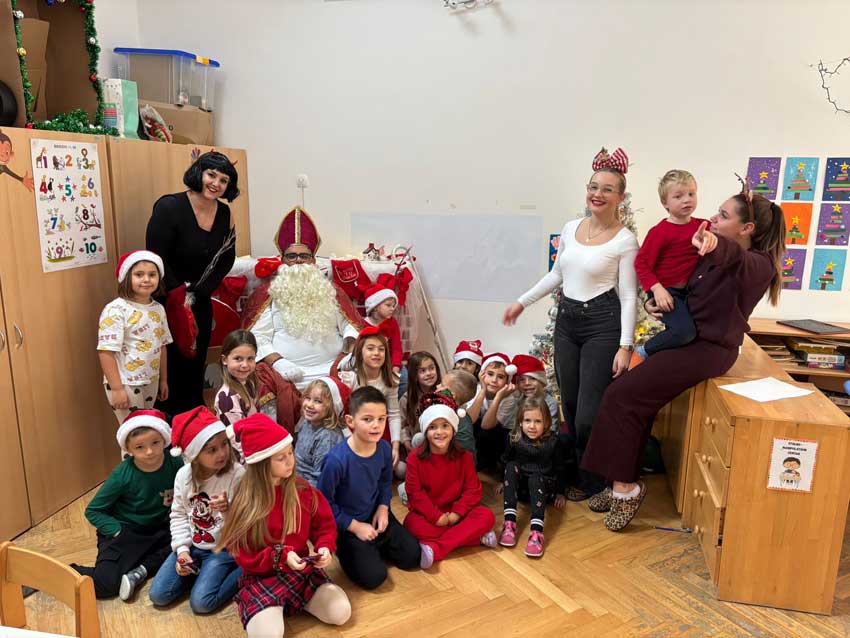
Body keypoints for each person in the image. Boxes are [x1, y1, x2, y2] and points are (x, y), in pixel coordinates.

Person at [581, 182, 786, 531]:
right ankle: (617, 480)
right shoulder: (711, 255)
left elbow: (732, 257)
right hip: (688, 339)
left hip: (708, 351)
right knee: (630, 398)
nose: (713, 218)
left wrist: (714, 242)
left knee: (621, 396)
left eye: (723, 215)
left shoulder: (758, 265)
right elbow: (690, 295)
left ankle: (626, 489)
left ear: (747, 228)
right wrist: (655, 303)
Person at [503, 146, 639, 503]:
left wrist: (625, 346)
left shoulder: (625, 240)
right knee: (572, 406)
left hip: (602, 325)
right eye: (594, 187)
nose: (598, 194)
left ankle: (596, 481)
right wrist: (522, 302)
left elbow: (628, 295)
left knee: (589, 416)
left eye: (607, 189)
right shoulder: (570, 228)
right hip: (567, 323)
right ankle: (578, 473)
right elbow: (556, 275)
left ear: (621, 197)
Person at [217, 413, 350, 637]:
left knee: (341, 612)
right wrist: (279, 556)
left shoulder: (302, 490)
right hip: (262, 577)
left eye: (290, 452)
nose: (291, 461)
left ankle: (291, 603)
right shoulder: (245, 500)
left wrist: (325, 546)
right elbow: (242, 552)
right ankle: (272, 607)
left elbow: (324, 525)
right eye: (281, 457)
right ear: (261, 463)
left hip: (301, 572)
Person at [146, 151, 239, 414]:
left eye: (223, 180)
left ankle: (193, 424)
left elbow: (227, 258)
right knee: (171, 369)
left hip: (201, 299)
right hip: (167, 300)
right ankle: (168, 425)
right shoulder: (169, 207)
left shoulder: (224, 212)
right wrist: (179, 293)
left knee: (195, 367)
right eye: (211, 175)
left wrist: (201, 290)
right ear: (199, 173)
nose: (216, 184)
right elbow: (156, 255)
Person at [245, 206, 363, 392]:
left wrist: (349, 350)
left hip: (334, 369)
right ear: (282, 260)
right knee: (260, 378)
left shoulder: (331, 291)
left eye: (304, 256)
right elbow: (257, 336)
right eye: (292, 256)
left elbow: (352, 325)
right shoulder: (268, 294)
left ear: (313, 260)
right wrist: (278, 362)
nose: (298, 260)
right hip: (284, 374)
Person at [317, 387, 421, 590]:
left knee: (412, 556)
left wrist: (383, 507)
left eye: (381, 419)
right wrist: (355, 527)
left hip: (376, 515)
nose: (376, 425)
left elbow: (384, 482)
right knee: (375, 578)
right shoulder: (336, 461)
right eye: (367, 419)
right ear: (350, 421)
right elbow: (324, 504)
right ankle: (353, 550)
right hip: (347, 526)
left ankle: (372, 547)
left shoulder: (384, 448)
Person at [71, 411, 182, 601]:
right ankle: (56, 571)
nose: (149, 451)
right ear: (129, 449)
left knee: (191, 543)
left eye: (155, 443)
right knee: (105, 584)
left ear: (165, 439)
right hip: (127, 529)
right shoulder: (122, 474)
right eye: (140, 447)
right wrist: (116, 530)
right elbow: (93, 510)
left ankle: (140, 570)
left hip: (161, 527)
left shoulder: (176, 463)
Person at [149, 407, 244, 614]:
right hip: (194, 545)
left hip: (224, 549)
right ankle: (201, 575)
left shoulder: (237, 474)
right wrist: (182, 551)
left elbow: (245, 524)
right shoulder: (183, 476)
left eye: (224, 444)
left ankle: (246, 571)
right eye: (212, 450)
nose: (222, 453)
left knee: (201, 604)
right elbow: (178, 515)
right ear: (194, 454)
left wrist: (227, 509)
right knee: (158, 595)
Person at [403, 393, 497, 569]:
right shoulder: (415, 459)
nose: (439, 432)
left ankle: (436, 548)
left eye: (445, 426)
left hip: (457, 514)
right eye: (433, 427)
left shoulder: (464, 456)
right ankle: (474, 538)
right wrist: (436, 516)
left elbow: (472, 490)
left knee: (486, 516)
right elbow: (415, 494)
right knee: (411, 524)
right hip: (429, 515)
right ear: (425, 431)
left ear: (453, 429)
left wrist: (456, 514)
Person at [633, 170, 705, 360]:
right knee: (684, 332)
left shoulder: (702, 226)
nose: (687, 200)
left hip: (688, 292)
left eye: (691, 194)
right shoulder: (660, 232)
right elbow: (641, 263)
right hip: (665, 292)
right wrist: (657, 290)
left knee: (693, 332)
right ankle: (642, 351)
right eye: (678, 196)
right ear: (665, 203)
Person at [98, 251, 172, 425]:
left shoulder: (158, 309)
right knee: (133, 433)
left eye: (152, 275)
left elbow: (162, 346)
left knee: (147, 428)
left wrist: (163, 380)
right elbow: (106, 351)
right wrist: (117, 389)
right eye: (139, 275)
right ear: (126, 277)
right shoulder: (115, 309)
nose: (146, 279)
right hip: (126, 383)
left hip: (151, 381)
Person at [499, 397, 566, 558]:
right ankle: (509, 524)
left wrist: (560, 492)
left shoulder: (553, 441)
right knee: (511, 466)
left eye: (538, 421)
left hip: (543, 489)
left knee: (536, 478)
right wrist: (504, 482)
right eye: (527, 420)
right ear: (520, 422)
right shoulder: (514, 438)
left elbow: (560, 468)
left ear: (546, 423)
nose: (532, 426)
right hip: (521, 489)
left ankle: (536, 533)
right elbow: (505, 460)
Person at [338, 326, 402, 467]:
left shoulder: (389, 380)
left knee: (391, 466)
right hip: (354, 430)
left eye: (381, 349)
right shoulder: (351, 379)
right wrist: (353, 442)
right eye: (370, 348)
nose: (376, 353)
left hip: (378, 429)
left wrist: (396, 446)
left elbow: (394, 414)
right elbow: (342, 416)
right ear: (360, 352)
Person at [294, 377, 350, 487]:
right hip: (295, 478)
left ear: (332, 407)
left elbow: (321, 480)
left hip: (308, 488)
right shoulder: (308, 422)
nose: (309, 405)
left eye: (318, 401)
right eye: (308, 398)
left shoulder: (327, 437)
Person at [397, 351, 442, 480]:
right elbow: (401, 424)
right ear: (414, 375)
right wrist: (406, 441)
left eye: (431, 368)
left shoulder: (444, 393)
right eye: (422, 371)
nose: (429, 373)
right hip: (418, 444)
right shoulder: (406, 399)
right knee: (400, 471)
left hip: (440, 440)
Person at [474, 352, 517, 471]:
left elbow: (486, 425)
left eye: (501, 377)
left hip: (503, 432)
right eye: (490, 374)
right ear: (482, 375)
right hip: (482, 428)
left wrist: (498, 397)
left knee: (486, 433)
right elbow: (470, 419)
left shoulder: (508, 398)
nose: (494, 380)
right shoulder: (476, 389)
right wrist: (483, 390)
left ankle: (492, 467)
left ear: (507, 381)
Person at [215, 329, 259, 428]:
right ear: (224, 360)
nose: (245, 365)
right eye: (238, 359)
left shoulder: (249, 383)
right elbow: (235, 435)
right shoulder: (227, 397)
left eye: (250, 358)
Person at [362, 283, 403, 376]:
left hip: (390, 364)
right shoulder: (363, 325)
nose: (392, 309)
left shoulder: (392, 322)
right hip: (371, 366)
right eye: (388, 305)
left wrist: (395, 367)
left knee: (404, 378)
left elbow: (396, 347)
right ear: (375, 307)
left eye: (393, 306)